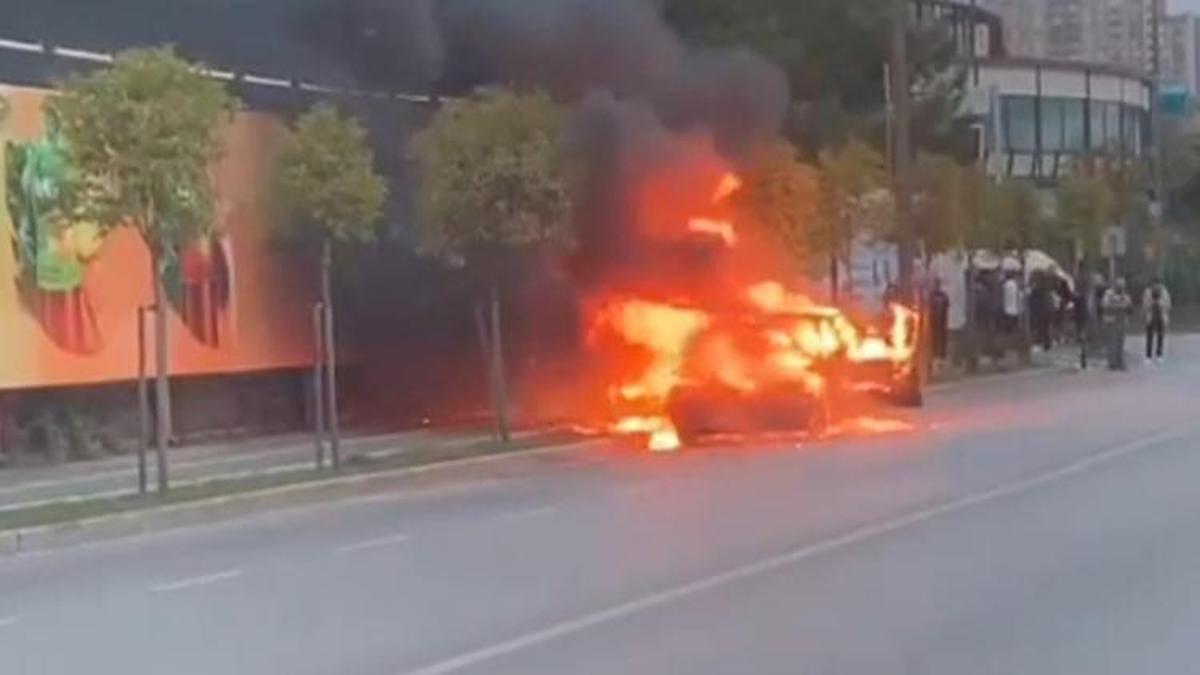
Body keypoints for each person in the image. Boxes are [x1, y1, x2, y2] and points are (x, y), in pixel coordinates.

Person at [1101, 277, 1133, 371]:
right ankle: (1112, 363)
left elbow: (1129, 307)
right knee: (1111, 343)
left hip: (1121, 322)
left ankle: (1120, 362)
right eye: (1119, 285)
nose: (1121, 288)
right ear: (1115, 285)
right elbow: (1105, 305)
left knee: (1120, 343)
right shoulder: (1109, 294)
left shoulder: (1125, 295)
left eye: (1122, 286)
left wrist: (1124, 306)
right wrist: (1118, 306)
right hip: (1111, 321)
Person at [1142, 278, 1172, 363]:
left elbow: (1169, 305)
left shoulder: (1165, 292)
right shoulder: (1147, 292)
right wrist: (1151, 304)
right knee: (1149, 337)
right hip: (1151, 316)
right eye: (1154, 285)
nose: (1156, 287)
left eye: (1158, 285)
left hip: (1161, 316)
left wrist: (1160, 303)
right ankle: (1148, 356)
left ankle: (1159, 355)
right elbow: (1144, 306)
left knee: (1160, 336)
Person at [929, 278, 950, 364]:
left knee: (942, 340)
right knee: (934, 340)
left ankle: (941, 357)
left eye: (937, 284)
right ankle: (934, 356)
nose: (936, 286)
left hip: (941, 322)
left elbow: (947, 305)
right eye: (935, 284)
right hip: (933, 323)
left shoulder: (943, 295)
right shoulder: (931, 295)